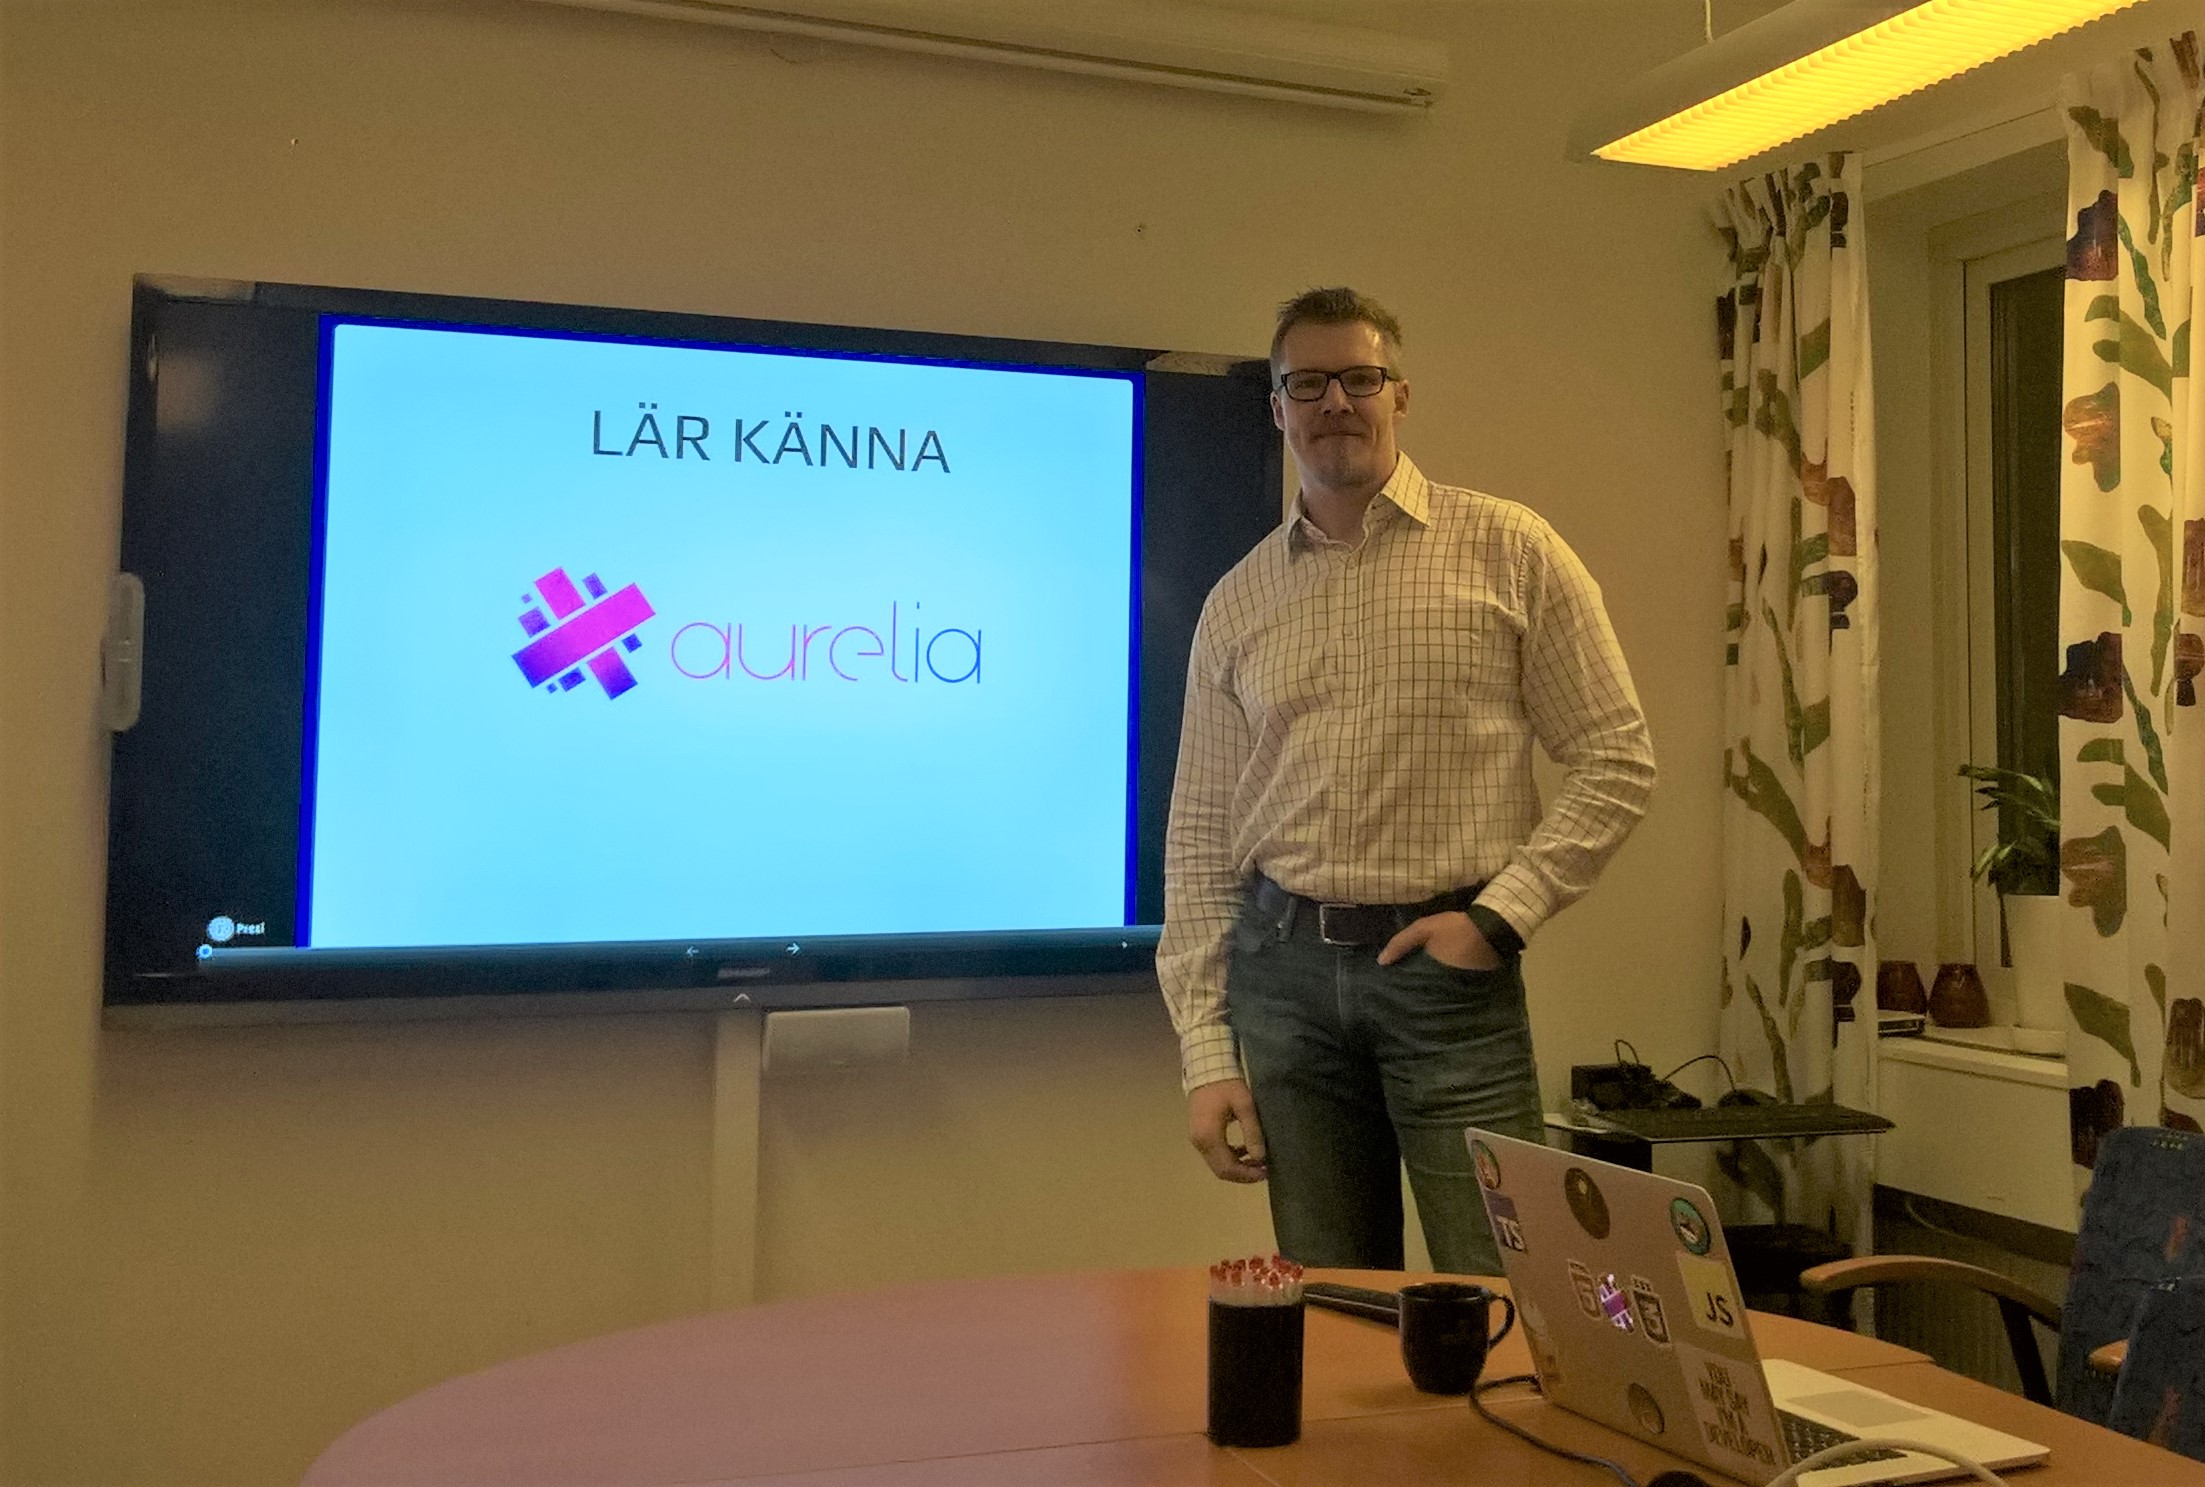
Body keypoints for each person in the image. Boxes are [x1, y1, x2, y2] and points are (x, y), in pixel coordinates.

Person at [1156, 286, 1656, 1275]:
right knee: (1336, 1298)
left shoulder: (1510, 548)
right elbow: (1201, 835)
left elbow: (1616, 756)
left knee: (1505, 1288)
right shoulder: (1237, 599)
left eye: (1359, 377)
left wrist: (1497, 919)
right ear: (1278, 407)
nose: (1335, 402)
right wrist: (1206, 1057)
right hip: (1284, 983)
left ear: (1400, 393)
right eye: (1308, 383)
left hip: (1448, 982)